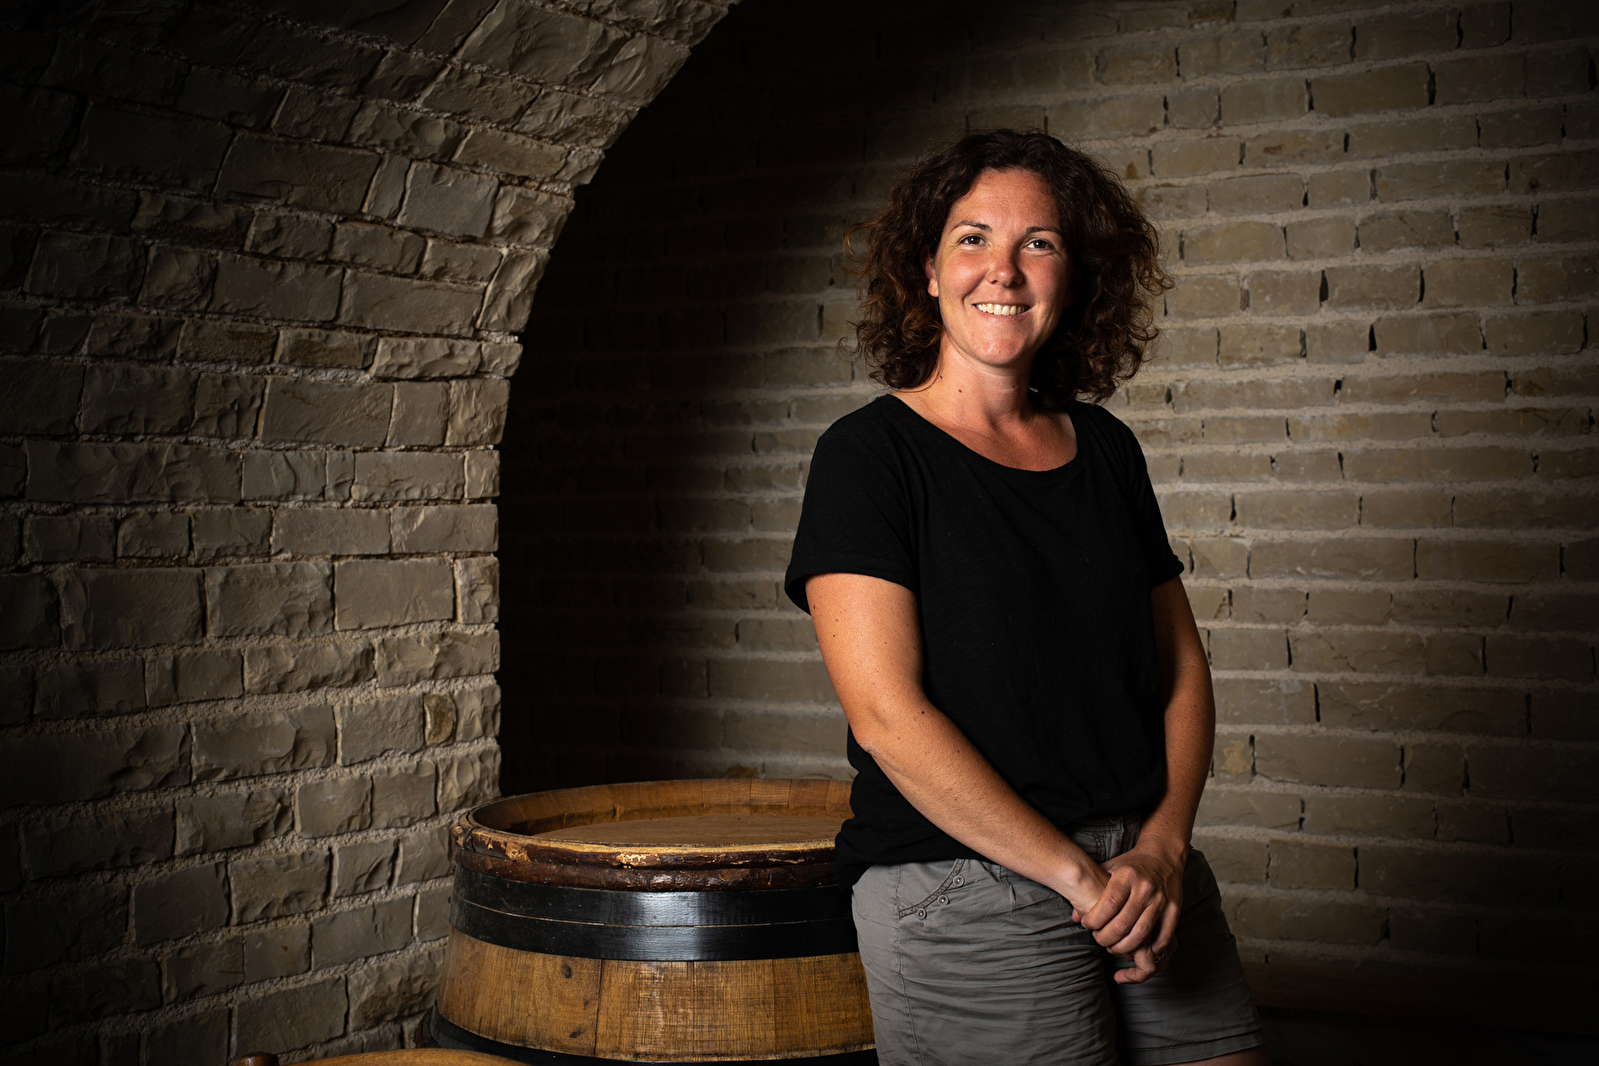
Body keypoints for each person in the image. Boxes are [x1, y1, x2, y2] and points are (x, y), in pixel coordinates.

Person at [783, 130, 1269, 1065]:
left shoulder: (1107, 448)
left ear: (1074, 276)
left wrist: (1164, 849)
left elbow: (1179, 671)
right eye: (972, 239)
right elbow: (886, 716)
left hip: (1142, 868)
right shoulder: (868, 456)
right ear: (927, 271)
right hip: (963, 877)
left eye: (1037, 243)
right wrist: (1075, 877)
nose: (1002, 270)